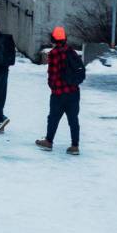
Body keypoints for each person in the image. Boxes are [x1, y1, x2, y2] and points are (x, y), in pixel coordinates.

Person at [36, 26, 80, 155]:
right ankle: (75, 146)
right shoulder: (71, 51)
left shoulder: (54, 53)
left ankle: (49, 142)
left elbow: (52, 74)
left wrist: (53, 86)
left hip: (59, 93)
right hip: (73, 92)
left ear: (53, 39)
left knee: (53, 118)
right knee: (73, 120)